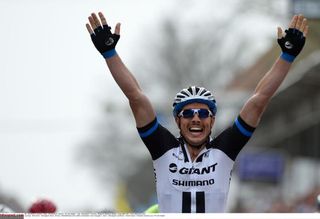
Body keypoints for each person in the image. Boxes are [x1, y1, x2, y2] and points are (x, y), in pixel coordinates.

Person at [86, 12, 308, 213]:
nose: (195, 119)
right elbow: (136, 97)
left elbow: (258, 101)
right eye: (188, 113)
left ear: (212, 121)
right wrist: (109, 53)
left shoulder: (224, 150)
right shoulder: (163, 149)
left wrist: (286, 57)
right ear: (177, 120)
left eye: (202, 114)